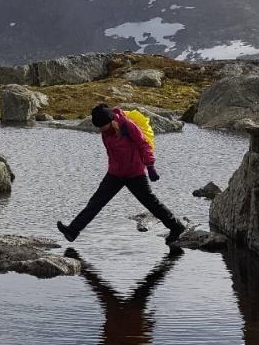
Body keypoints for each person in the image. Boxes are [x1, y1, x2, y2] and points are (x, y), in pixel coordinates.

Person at [57, 103, 185, 244]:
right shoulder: (105, 132)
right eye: (98, 127)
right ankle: (73, 231)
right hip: (115, 173)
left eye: (102, 126)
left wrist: (150, 166)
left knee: (151, 203)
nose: (100, 130)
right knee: (96, 201)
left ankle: (176, 227)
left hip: (134, 173)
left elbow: (144, 145)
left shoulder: (128, 126)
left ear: (110, 121)